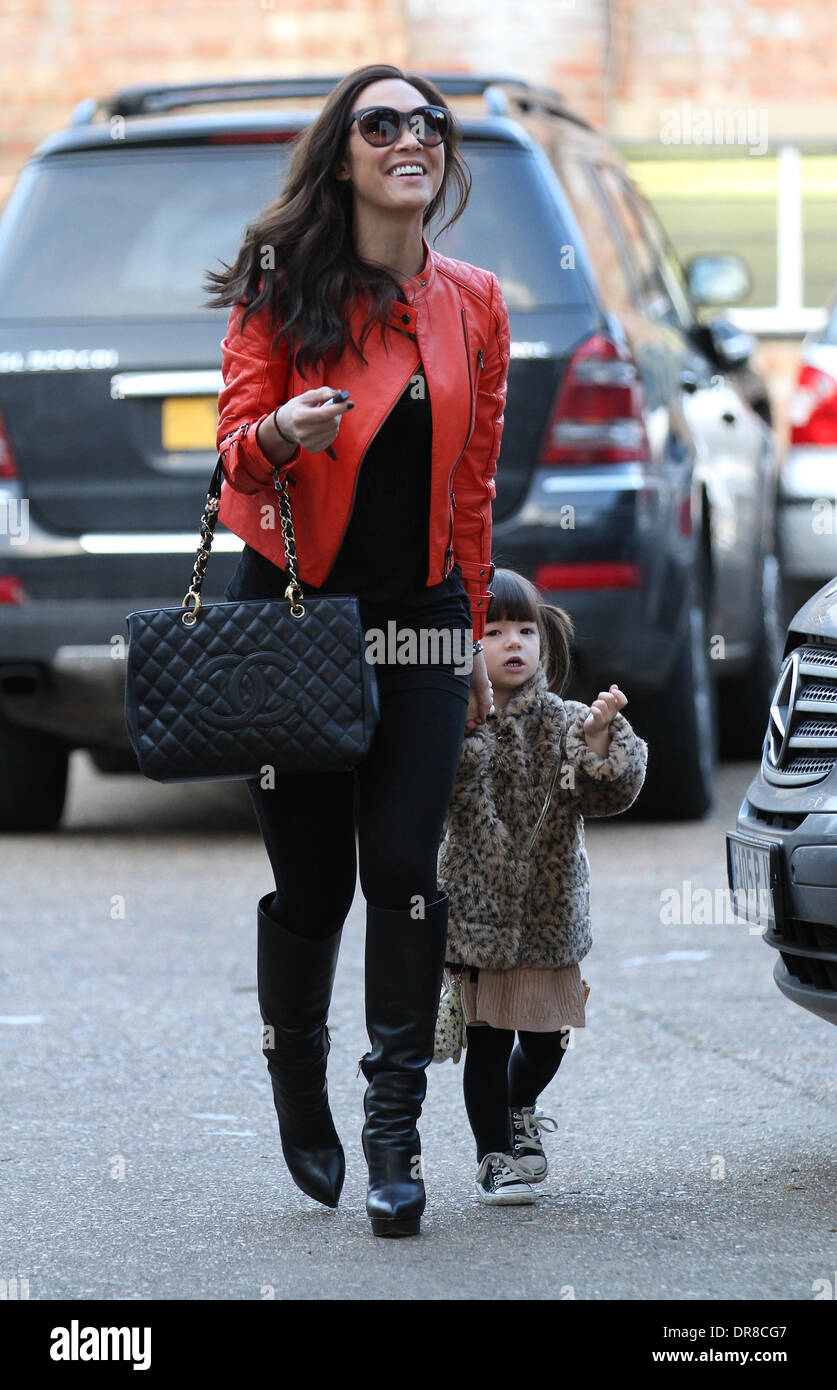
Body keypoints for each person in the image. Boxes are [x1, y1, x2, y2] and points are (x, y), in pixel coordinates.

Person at [202, 64, 510, 1238]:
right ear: (345, 156)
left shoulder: (475, 300)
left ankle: (395, 1129)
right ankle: (297, 1075)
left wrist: (473, 630)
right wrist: (279, 433)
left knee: (405, 873)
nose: (408, 139)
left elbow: (472, 488)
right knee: (316, 885)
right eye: (379, 124)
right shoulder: (286, 288)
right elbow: (233, 451)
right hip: (291, 613)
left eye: (425, 122)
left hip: (422, 622)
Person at [437, 569, 648, 1203]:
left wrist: (601, 739)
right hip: (479, 922)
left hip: (551, 919)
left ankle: (518, 1105)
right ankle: (494, 1156)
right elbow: (432, 796)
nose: (512, 643)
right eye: (493, 630)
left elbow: (609, 791)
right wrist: (463, 741)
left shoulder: (564, 721)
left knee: (549, 1041)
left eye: (525, 630)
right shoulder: (455, 720)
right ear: (469, 646)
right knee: (489, 1041)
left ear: (543, 641)